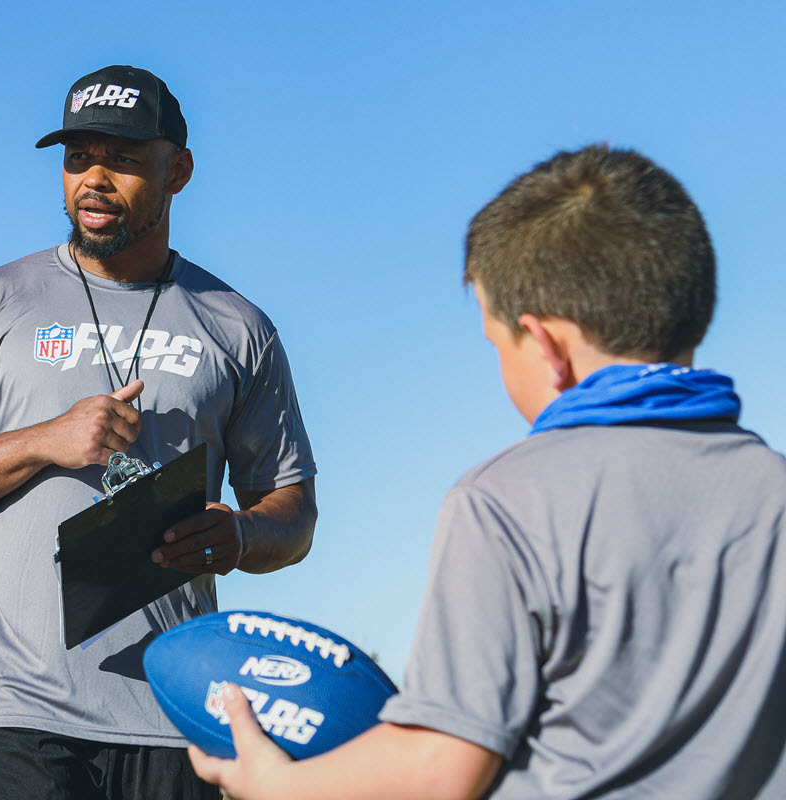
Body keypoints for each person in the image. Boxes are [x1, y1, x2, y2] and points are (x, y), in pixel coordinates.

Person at [189, 145, 786, 799]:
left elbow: (445, 768)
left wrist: (274, 784)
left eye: (497, 346)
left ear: (546, 345)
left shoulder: (506, 499)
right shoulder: (772, 486)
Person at [0, 64, 318, 799]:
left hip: (174, 708)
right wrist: (42, 439)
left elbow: (294, 511)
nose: (93, 180)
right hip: (19, 712)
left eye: (122, 160)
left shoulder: (239, 327)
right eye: (78, 158)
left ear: (177, 170)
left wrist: (240, 536)